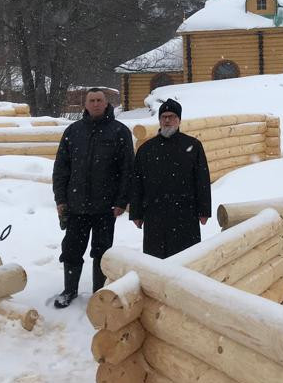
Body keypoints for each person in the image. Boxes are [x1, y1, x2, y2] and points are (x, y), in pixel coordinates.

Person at [52, 87, 133, 308]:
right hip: (76, 206)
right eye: (92, 100)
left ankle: (99, 292)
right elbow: (61, 169)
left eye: (99, 100)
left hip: (106, 207)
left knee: (102, 252)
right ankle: (69, 290)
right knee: (71, 250)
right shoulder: (73, 131)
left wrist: (121, 201)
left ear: (106, 103)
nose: (96, 104)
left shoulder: (119, 132)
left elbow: (127, 170)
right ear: (85, 105)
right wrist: (61, 200)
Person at [130, 98, 211, 258]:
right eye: (164, 117)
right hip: (155, 214)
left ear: (179, 120)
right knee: (156, 261)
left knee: (186, 258)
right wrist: (136, 213)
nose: (167, 120)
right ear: (159, 120)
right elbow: (137, 183)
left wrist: (204, 210)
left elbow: (201, 180)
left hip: (185, 213)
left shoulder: (193, 146)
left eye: (171, 116)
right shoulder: (146, 149)